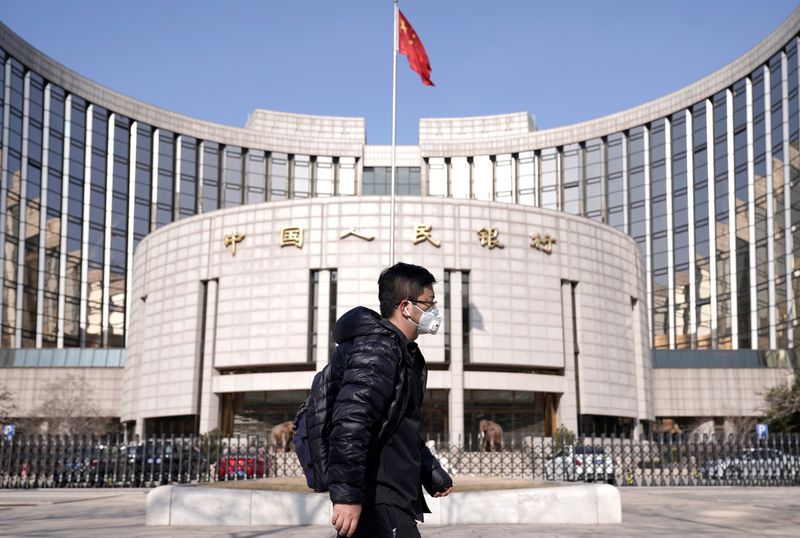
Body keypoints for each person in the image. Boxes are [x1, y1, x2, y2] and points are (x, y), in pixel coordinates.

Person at [328, 262, 453, 538]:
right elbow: (351, 423)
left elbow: (399, 426)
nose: (434, 311)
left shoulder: (404, 352)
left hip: (393, 495)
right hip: (379, 495)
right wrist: (347, 497)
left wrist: (431, 471)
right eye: (428, 304)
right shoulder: (379, 350)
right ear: (406, 307)